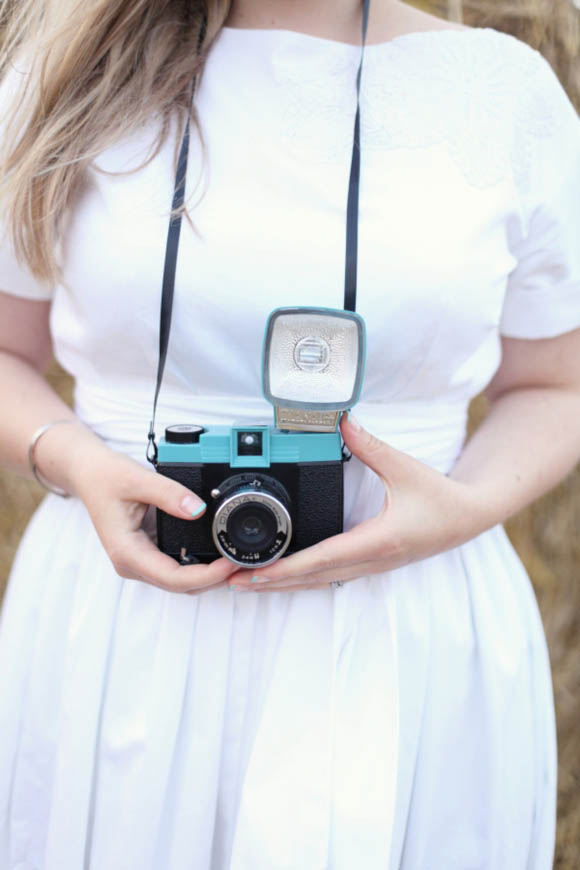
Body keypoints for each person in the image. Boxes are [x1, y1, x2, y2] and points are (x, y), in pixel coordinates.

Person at [1, 0, 579, 866]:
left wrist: (462, 509)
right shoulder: (67, 67)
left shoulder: (504, 94)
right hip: (124, 608)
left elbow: (557, 381)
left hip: (407, 624)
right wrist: (75, 458)